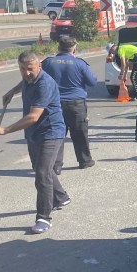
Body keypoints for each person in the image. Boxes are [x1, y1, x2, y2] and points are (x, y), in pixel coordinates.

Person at [0, 52, 70, 235]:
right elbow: (24, 82)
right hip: (34, 132)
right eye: (22, 69)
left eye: (30, 69)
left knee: (42, 173)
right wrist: (12, 91)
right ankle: (61, 197)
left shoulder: (45, 84)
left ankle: (44, 218)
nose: (26, 73)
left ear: (39, 66)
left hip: (51, 132)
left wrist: (5, 130)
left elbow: (33, 116)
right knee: (41, 167)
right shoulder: (29, 79)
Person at [41, 36, 98, 174]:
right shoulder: (80, 63)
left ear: (58, 47)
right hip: (76, 104)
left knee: (56, 134)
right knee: (80, 133)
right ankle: (84, 161)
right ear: (74, 49)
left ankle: (56, 166)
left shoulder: (48, 62)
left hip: (54, 105)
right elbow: (92, 82)